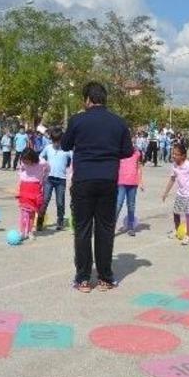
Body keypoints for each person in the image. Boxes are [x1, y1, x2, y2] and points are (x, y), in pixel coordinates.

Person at [61, 81, 132, 293]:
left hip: (83, 180)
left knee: (82, 229)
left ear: (87, 99)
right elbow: (127, 151)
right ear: (104, 99)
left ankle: (83, 279)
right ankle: (105, 278)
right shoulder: (119, 122)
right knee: (105, 229)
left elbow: (65, 145)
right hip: (108, 180)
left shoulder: (77, 120)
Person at [161, 143, 189, 246]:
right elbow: (172, 179)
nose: (174, 156)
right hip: (180, 193)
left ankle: (188, 235)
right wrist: (166, 193)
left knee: (188, 213)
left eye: (176, 154)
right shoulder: (174, 165)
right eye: (173, 154)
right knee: (176, 212)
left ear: (183, 156)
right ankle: (177, 230)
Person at [37, 128, 72, 232]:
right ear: (51, 139)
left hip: (61, 180)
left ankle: (60, 221)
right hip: (49, 179)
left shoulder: (67, 150)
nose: (56, 143)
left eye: (58, 141)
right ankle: (40, 221)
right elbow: (40, 158)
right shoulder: (48, 148)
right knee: (45, 200)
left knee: (60, 202)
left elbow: (74, 160)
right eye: (54, 141)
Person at [17, 148, 47, 240]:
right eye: (23, 160)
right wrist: (21, 177)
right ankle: (22, 232)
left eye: (27, 160)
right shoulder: (22, 162)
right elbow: (19, 170)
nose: (25, 162)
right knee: (23, 212)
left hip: (35, 188)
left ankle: (30, 231)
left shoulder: (41, 162)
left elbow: (48, 169)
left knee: (32, 212)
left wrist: (43, 179)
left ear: (32, 158)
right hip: (24, 187)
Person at [116, 136, 143, 236]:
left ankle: (131, 227)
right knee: (118, 204)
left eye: (132, 142)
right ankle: (111, 227)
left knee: (131, 205)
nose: (131, 144)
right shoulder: (119, 153)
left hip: (133, 183)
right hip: (121, 182)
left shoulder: (137, 153)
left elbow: (139, 168)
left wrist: (141, 182)